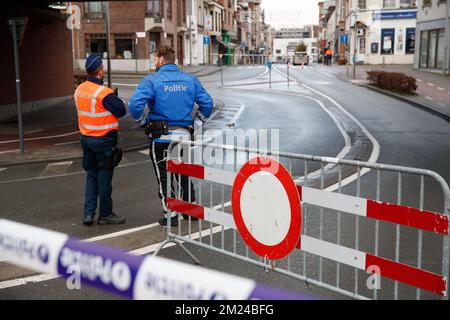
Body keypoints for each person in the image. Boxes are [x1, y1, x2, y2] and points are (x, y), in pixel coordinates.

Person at [129, 45, 214, 227]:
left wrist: (144, 123)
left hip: (161, 137)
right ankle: (190, 211)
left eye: (155, 58)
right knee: (183, 172)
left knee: (164, 176)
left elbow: (135, 105)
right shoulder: (190, 79)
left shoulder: (152, 80)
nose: (154, 61)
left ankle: (171, 215)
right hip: (183, 136)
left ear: (160, 59)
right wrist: (197, 123)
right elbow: (207, 104)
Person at [74, 55, 127, 226]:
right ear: (100, 71)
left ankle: (88, 214)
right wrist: (115, 98)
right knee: (104, 179)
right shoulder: (104, 93)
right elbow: (120, 111)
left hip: (86, 139)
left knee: (91, 176)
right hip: (103, 141)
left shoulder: (79, 89)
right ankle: (105, 214)